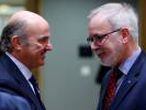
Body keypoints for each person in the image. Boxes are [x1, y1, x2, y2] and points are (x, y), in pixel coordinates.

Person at [87, 2, 146, 110]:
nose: (92, 47)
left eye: (99, 38)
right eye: (91, 39)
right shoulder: (109, 77)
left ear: (124, 35)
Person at [0, 10, 53, 110]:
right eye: (42, 40)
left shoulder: (19, 73)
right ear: (17, 43)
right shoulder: (5, 83)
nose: (50, 47)